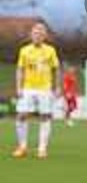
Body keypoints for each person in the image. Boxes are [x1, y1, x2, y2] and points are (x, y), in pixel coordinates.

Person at [13, 22, 60, 160]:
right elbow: (20, 69)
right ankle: (22, 146)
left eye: (40, 33)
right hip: (28, 88)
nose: (37, 36)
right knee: (21, 115)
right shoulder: (24, 50)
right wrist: (18, 87)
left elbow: (56, 69)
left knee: (45, 116)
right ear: (31, 35)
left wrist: (57, 87)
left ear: (45, 36)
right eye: (35, 33)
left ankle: (42, 149)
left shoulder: (50, 50)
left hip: (45, 88)